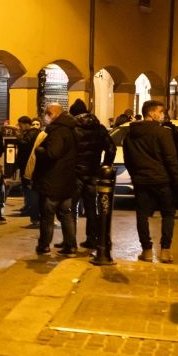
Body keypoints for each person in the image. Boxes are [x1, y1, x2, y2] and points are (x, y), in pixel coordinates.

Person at [123, 100, 178, 264]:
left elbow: (128, 160)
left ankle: (147, 250)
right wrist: (177, 181)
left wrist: (136, 176)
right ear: (151, 113)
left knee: (142, 214)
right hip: (162, 180)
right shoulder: (162, 133)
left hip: (142, 180)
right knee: (168, 213)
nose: (163, 115)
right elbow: (171, 159)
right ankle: (165, 251)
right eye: (161, 112)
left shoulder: (131, 134)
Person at [31, 103, 79, 256]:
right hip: (67, 178)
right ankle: (71, 246)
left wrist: (39, 150)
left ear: (52, 114)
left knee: (47, 215)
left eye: (47, 113)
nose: (45, 117)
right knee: (66, 214)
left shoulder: (58, 130)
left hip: (53, 179)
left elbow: (52, 153)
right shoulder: (72, 128)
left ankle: (44, 245)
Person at [69, 99, 116, 249]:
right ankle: (92, 238)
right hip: (93, 171)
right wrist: (105, 166)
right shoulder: (99, 128)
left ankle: (70, 241)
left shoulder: (71, 128)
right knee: (91, 207)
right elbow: (111, 149)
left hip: (75, 172)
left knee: (70, 208)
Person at [15, 116, 40, 224]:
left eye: (20, 125)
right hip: (26, 164)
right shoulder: (30, 133)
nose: (20, 127)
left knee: (29, 189)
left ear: (26, 124)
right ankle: (29, 207)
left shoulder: (32, 133)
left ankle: (31, 209)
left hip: (28, 165)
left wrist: (18, 137)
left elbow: (25, 145)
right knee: (26, 188)